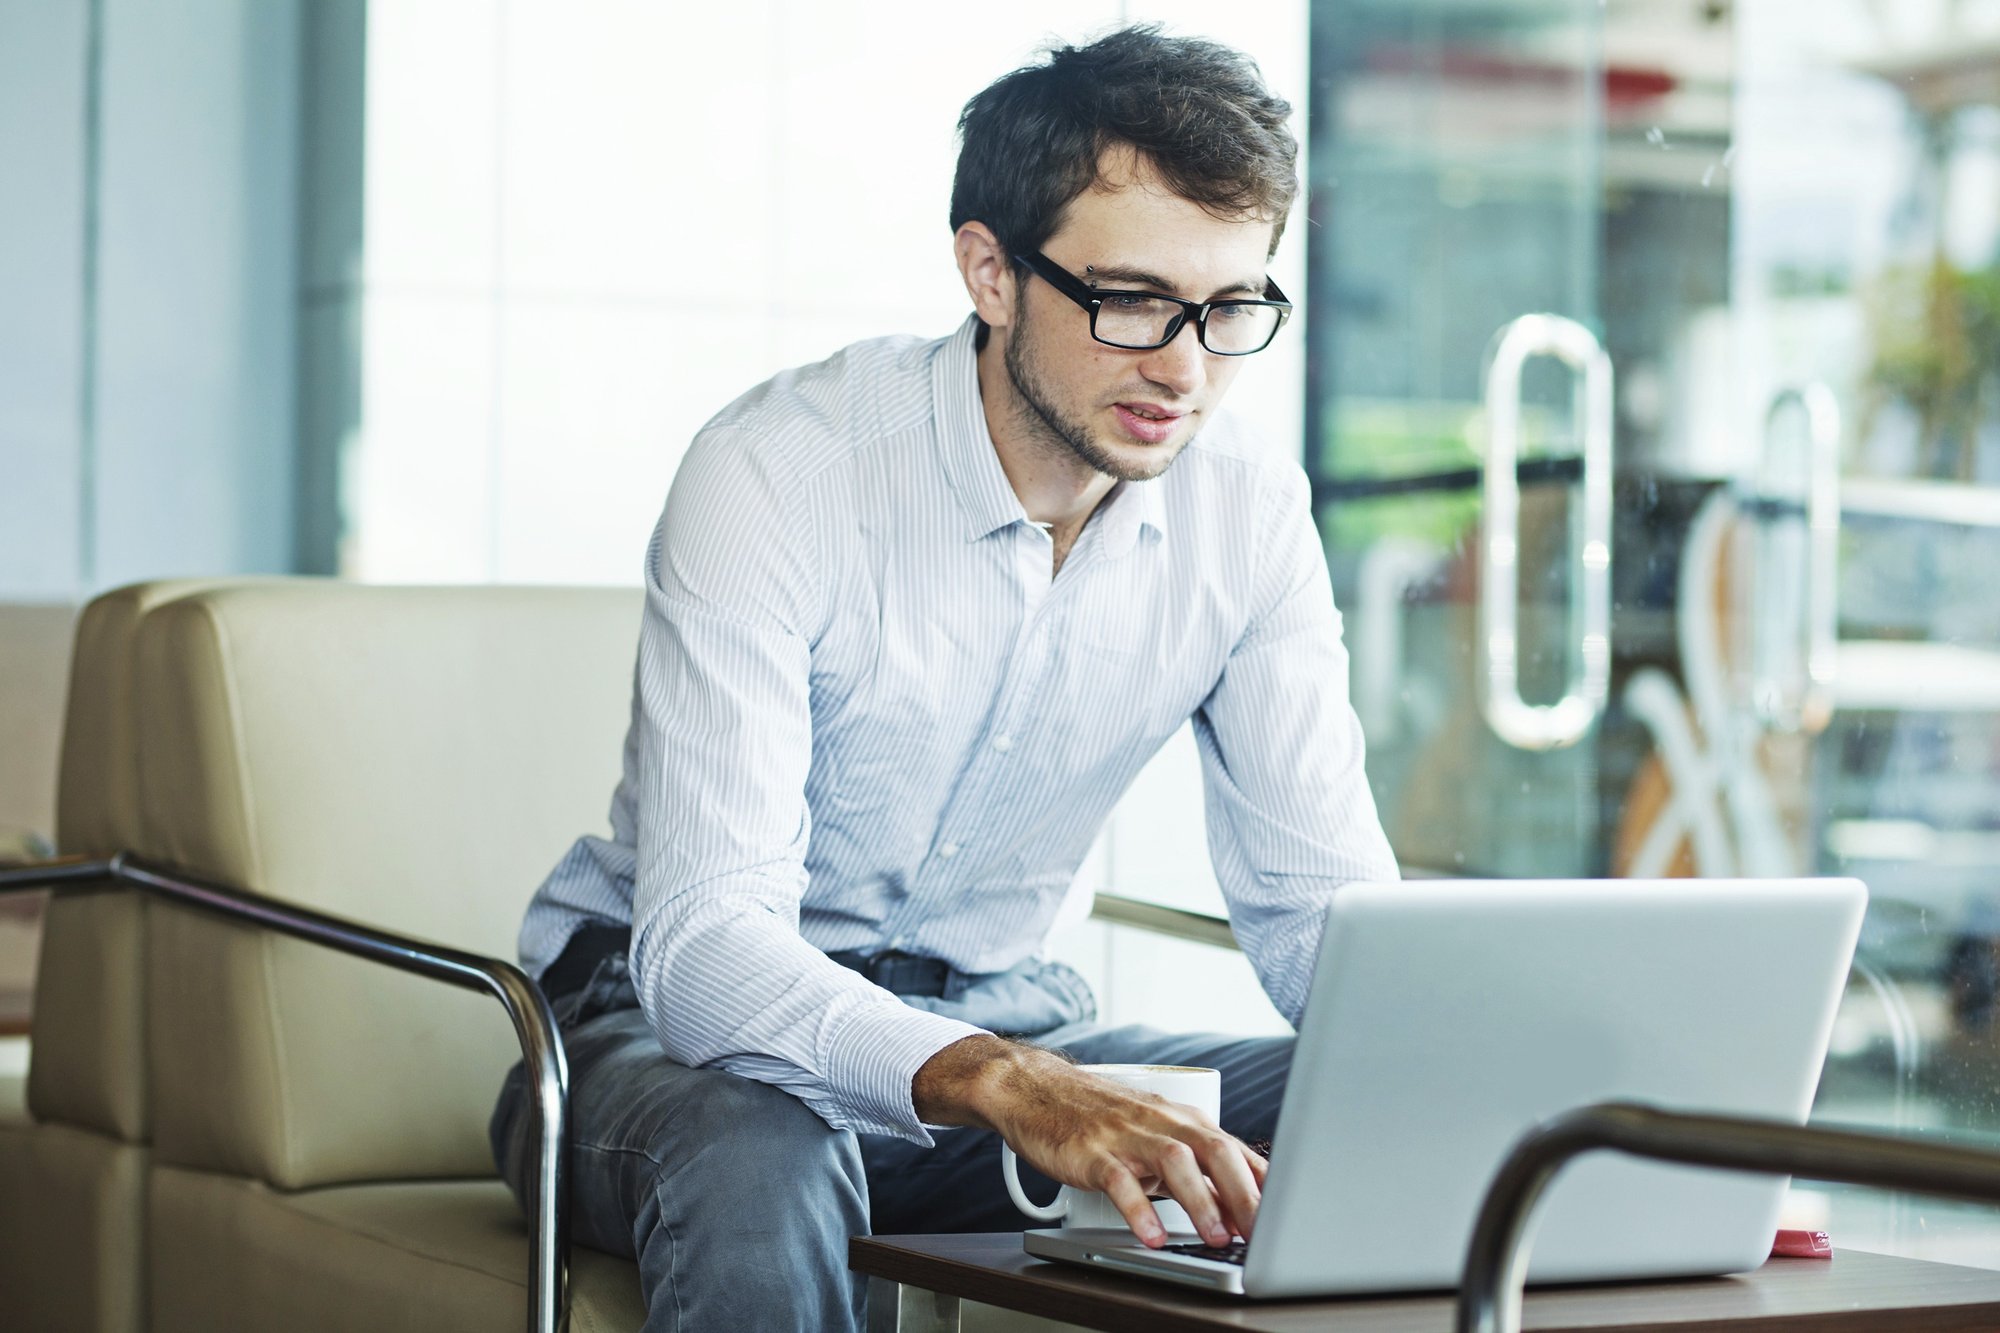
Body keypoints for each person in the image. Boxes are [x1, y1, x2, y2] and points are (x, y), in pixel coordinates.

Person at [489, 24, 1398, 1332]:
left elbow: (1323, 917)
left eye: (1229, 309)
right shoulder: (778, 475)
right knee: (767, 1148)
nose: (1185, 368)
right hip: (660, 1052)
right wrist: (1008, 1083)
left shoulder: (1247, 515)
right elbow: (706, 951)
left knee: (1399, 1103)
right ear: (990, 271)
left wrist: (1484, 1067)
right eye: (1133, 301)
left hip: (1006, 1029)